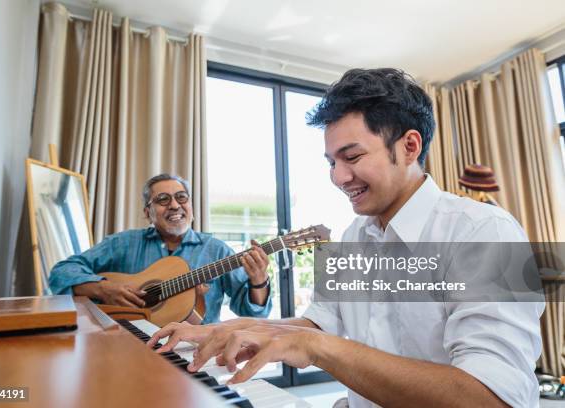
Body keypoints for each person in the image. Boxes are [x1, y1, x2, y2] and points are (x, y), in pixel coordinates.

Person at [147, 69, 544, 407]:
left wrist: (319, 349)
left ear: (409, 147)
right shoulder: (356, 236)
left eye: (352, 158)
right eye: (331, 162)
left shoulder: (483, 232)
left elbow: (493, 397)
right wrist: (228, 330)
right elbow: (320, 324)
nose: (338, 178)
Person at [49, 173, 272, 324]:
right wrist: (103, 289)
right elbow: (61, 272)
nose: (175, 205)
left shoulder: (217, 251)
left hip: (197, 354)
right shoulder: (123, 243)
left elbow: (253, 314)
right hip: (130, 348)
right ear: (148, 213)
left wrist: (258, 280)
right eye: (163, 200)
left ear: (191, 206)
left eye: (181, 197)